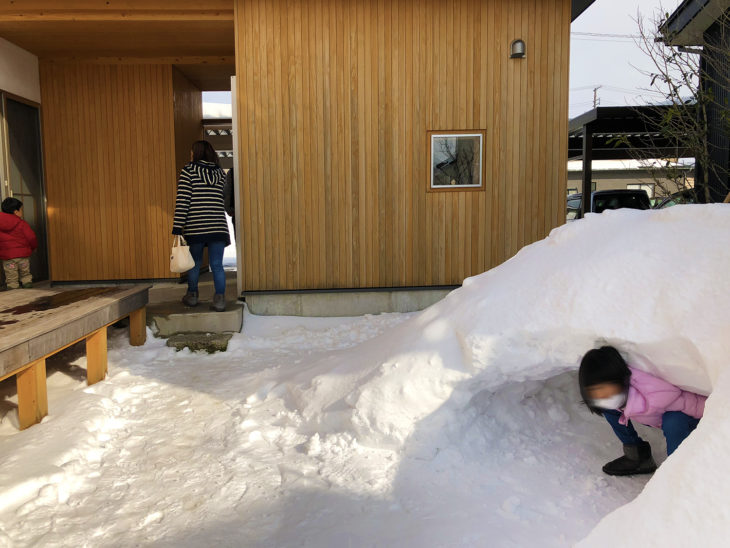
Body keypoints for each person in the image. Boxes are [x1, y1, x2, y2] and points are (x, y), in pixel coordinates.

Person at [579, 346, 706, 476]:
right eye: (595, 392)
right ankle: (637, 456)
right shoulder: (617, 393)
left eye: (605, 389)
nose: (602, 396)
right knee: (609, 408)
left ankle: (679, 471)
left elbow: (691, 404)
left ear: (619, 380)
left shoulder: (656, 395)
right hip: (656, 415)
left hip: (695, 416)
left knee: (674, 421)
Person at [172, 140, 230, 312]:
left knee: (195, 263)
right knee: (217, 264)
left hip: (196, 225)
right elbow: (223, 197)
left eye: (191, 151)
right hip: (218, 225)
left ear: (196, 153)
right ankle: (219, 300)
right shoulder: (220, 173)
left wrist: (177, 226)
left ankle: (192, 296)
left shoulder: (189, 171)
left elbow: (183, 200)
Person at [0, 197, 37, 290]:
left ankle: (13, 290)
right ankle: (27, 285)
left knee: (11, 276)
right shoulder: (22, 223)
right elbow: (31, 237)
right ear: (16, 212)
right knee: (25, 274)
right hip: (23, 255)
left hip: (8, 257)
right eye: (21, 210)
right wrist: (33, 247)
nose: (21, 212)